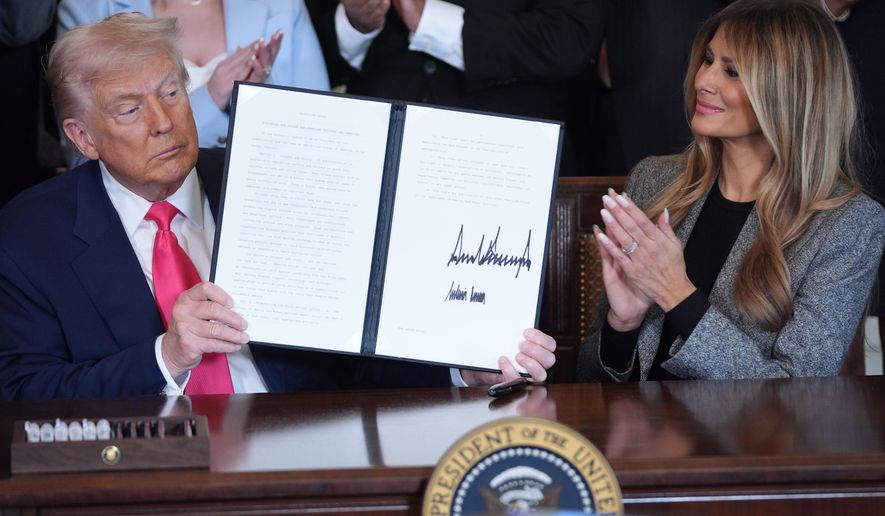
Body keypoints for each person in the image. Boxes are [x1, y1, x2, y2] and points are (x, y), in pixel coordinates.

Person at [0, 13, 556, 400]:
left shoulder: (278, 183)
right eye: (128, 111)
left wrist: (462, 369)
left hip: (304, 456)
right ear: (83, 137)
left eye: (172, 92)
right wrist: (166, 355)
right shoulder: (31, 237)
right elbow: (22, 394)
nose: (163, 121)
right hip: (148, 472)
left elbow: (355, 351)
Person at [576, 0, 885, 382]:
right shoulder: (653, 181)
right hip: (638, 438)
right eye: (708, 60)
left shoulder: (848, 223)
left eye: (732, 71)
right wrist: (622, 324)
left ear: (791, 91)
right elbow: (590, 380)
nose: (703, 81)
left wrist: (676, 293)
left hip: (741, 443)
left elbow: (798, 391)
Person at [305, 0, 605, 177]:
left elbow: (569, 40)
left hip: (508, 163)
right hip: (374, 160)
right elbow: (298, 42)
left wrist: (432, 22)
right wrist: (353, 25)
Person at [56, 0, 330, 154]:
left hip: (264, 198)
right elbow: (83, 155)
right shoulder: (90, 8)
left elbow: (323, 129)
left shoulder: (280, 5)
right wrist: (211, 98)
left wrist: (258, 96)